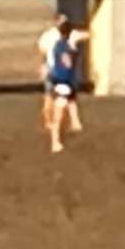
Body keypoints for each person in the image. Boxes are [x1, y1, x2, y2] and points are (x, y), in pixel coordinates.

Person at [44, 24, 84, 153]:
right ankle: (55, 142)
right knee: (59, 114)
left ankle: (74, 123)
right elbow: (68, 64)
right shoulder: (67, 47)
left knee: (66, 106)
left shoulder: (57, 46)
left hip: (60, 81)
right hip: (64, 83)